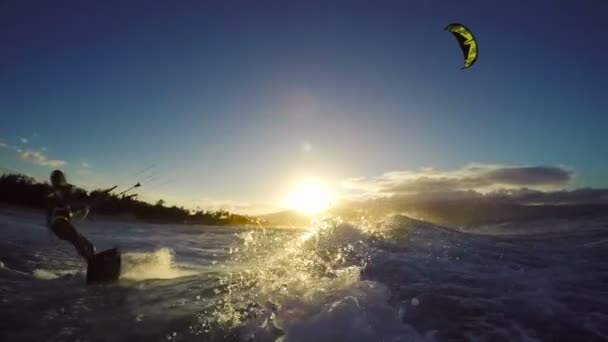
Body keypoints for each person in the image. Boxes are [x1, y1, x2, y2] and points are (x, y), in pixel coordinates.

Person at [46, 170, 96, 262]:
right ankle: (91, 261)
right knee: (77, 241)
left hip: (62, 224)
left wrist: (84, 209)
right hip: (59, 224)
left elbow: (72, 215)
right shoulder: (55, 193)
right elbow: (65, 200)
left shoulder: (63, 193)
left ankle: (93, 263)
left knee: (90, 246)